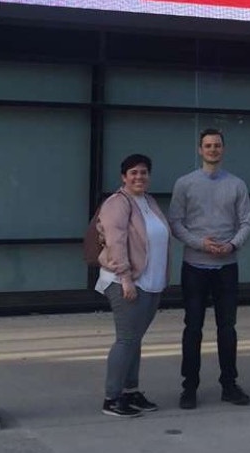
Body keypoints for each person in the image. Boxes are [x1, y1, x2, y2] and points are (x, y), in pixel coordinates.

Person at [169, 128, 250, 409]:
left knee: (227, 328)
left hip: (227, 267)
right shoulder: (185, 184)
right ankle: (189, 387)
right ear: (199, 150)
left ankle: (229, 384)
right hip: (194, 266)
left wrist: (232, 245)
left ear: (223, 149)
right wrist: (200, 244)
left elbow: (246, 223)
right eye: (208, 145)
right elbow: (176, 223)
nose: (213, 150)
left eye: (217, 145)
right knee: (192, 328)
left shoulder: (237, 184)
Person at [96, 153, 171, 417]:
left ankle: (130, 391)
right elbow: (115, 243)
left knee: (135, 340)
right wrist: (126, 278)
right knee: (126, 340)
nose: (139, 177)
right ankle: (112, 398)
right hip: (125, 282)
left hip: (150, 283)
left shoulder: (148, 201)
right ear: (124, 177)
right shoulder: (118, 203)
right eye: (133, 173)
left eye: (143, 172)